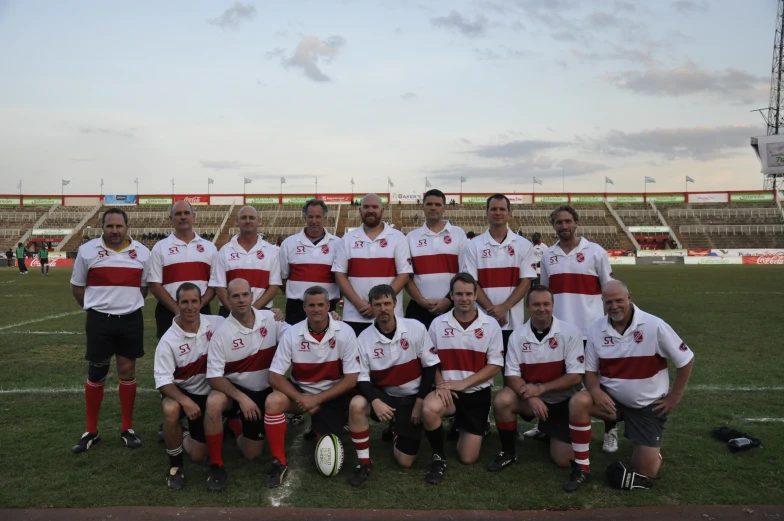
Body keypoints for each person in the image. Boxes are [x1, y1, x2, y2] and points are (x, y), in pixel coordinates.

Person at [562, 280, 694, 492]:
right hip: (613, 401)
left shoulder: (654, 325)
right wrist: (595, 391)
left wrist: (675, 396)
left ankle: (650, 451)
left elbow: (685, 359)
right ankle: (581, 467)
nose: (614, 306)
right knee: (579, 401)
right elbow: (590, 372)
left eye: (619, 300)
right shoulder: (596, 329)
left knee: (647, 471)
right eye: (608, 302)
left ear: (629, 298)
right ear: (602, 303)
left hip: (648, 406)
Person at [70, 208, 150, 453]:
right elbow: (77, 287)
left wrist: (125, 305)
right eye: (110, 226)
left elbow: (144, 288)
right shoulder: (87, 251)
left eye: (119, 226)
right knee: (96, 374)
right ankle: (91, 431)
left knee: (127, 371)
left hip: (130, 319)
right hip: (99, 320)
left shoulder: (143, 253)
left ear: (127, 227)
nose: (115, 231)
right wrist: (96, 309)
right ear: (102, 227)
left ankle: (127, 429)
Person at [537, 205, 617, 451]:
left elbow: (610, 289)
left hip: (590, 330)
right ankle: (547, 426)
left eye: (568, 221)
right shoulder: (548, 255)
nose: (564, 226)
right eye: (559, 222)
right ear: (553, 226)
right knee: (555, 380)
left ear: (576, 223)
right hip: (559, 332)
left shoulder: (596, 252)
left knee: (600, 382)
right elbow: (544, 293)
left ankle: (611, 429)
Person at [264, 286, 360, 488]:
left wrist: (316, 399)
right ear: (304, 307)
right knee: (273, 401)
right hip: (301, 393)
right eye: (311, 305)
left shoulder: (346, 332)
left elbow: (351, 379)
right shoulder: (292, 333)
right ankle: (278, 462)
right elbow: (274, 376)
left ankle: (320, 425)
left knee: (326, 451)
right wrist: (303, 399)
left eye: (320, 305)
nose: (316, 309)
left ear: (328, 306)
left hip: (332, 396)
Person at [346, 284, 440, 487]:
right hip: (385, 396)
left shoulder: (416, 327)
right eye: (377, 304)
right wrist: (375, 400)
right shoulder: (363, 339)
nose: (383, 309)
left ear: (395, 304)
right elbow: (361, 378)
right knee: (357, 404)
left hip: (412, 397)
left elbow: (430, 367)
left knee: (405, 462)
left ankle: (397, 428)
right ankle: (363, 462)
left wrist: (419, 403)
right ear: (371, 307)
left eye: (387, 303)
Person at [202, 278, 289, 492]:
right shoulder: (222, 333)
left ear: (252, 295)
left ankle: (235, 425)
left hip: (267, 389)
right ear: (228, 299)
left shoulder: (271, 318)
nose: (241, 300)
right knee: (213, 402)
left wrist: (331, 318)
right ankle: (216, 465)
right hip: (238, 393)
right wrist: (242, 398)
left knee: (252, 454)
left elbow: (296, 335)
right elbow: (213, 377)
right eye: (235, 296)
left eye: (245, 295)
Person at [486, 285, 584, 472]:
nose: (542, 308)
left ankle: (549, 431)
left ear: (553, 306)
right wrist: (532, 396)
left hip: (561, 400)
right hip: (529, 397)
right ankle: (508, 452)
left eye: (546, 304)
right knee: (502, 400)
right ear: (527, 306)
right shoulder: (517, 335)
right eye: (536, 304)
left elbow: (575, 377)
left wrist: (540, 389)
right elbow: (512, 375)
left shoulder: (570, 333)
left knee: (564, 460)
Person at [421, 272, 504, 484]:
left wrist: (464, 383)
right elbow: (430, 361)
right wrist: (440, 383)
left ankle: (466, 425)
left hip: (476, 394)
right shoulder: (438, 324)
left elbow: (495, 365)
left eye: (468, 293)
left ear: (476, 295)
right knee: (429, 408)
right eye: (459, 294)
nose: (464, 298)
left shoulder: (490, 325)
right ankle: (439, 456)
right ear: (451, 295)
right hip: (448, 392)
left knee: (468, 458)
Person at [153, 282, 224, 490]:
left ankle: (181, 432)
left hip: (209, 392)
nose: (190, 307)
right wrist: (186, 401)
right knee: (170, 408)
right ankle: (175, 466)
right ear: (177, 304)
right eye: (185, 302)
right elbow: (164, 382)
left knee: (199, 455)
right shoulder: (168, 341)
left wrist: (273, 314)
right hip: (183, 393)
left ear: (202, 302)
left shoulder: (217, 323)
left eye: (195, 301)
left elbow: (244, 319)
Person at [462, 194, 537, 350]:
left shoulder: (524, 245)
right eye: (493, 209)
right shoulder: (473, 245)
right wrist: (493, 311)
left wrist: (503, 308)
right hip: (481, 321)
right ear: (487, 213)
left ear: (509, 213)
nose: (498, 212)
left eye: (502, 209)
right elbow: (471, 283)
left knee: (511, 371)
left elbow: (525, 282)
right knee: (482, 370)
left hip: (513, 322)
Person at [333, 193, 412, 337]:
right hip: (354, 315)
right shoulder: (348, 239)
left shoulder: (397, 237)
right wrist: (359, 304)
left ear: (382, 211)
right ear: (360, 210)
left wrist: (380, 303)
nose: (370, 210)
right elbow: (339, 275)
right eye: (366, 207)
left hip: (389, 316)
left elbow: (404, 274)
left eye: (375, 207)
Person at [148, 201, 217, 339]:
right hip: (169, 312)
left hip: (201, 311)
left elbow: (214, 284)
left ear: (194, 216)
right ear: (171, 219)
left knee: (203, 355)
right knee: (171, 357)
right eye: (178, 214)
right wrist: (177, 309)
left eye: (186, 213)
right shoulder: (160, 247)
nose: (183, 217)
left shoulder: (209, 248)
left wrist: (198, 306)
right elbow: (154, 285)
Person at [405, 189, 467, 330]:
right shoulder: (411, 237)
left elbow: (465, 272)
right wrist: (421, 300)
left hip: (452, 306)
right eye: (430, 204)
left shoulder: (458, 234)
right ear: (423, 206)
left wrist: (448, 299)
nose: (433, 207)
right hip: (419, 308)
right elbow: (406, 275)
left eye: (438, 204)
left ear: (444, 207)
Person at [279, 199, 344, 325]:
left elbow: (343, 279)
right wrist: (296, 292)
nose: (314, 221)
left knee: (325, 343)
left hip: (327, 307)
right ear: (305, 218)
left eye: (318, 217)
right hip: (296, 308)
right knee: (295, 342)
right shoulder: (289, 243)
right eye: (310, 217)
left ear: (325, 218)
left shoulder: (338, 244)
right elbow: (282, 278)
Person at [209, 206, 281, 318]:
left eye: (252, 217)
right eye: (243, 217)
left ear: (259, 222)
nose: (248, 221)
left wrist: (252, 311)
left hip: (261, 311)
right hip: (229, 313)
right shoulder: (225, 251)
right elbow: (219, 287)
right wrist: (234, 311)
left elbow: (274, 286)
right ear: (237, 221)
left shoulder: (271, 251)